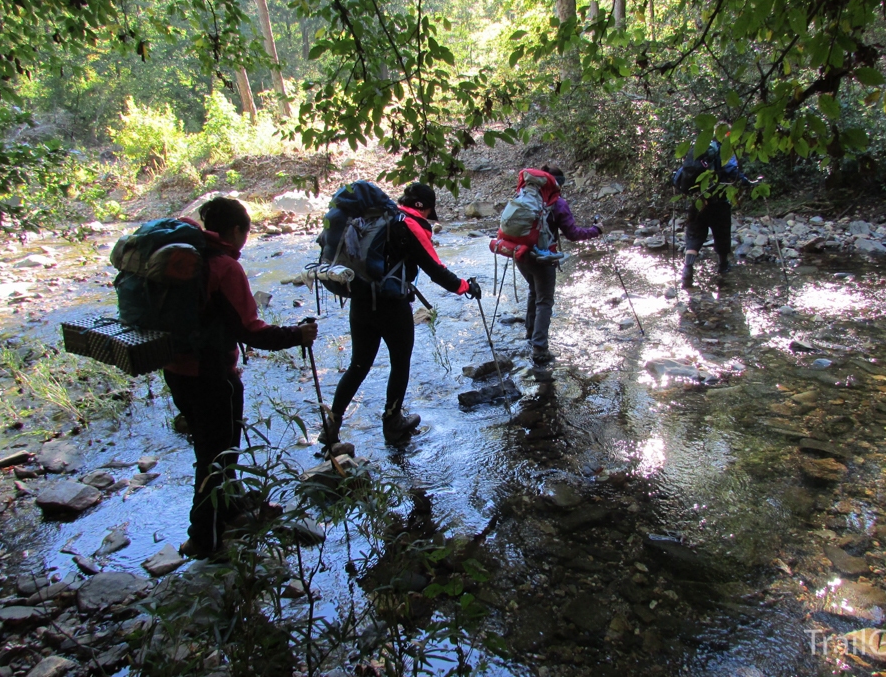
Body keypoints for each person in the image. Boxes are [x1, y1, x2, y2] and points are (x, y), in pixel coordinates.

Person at [163, 197, 318, 560]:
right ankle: (203, 539)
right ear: (235, 231)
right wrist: (297, 335)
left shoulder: (190, 258)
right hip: (213, 375)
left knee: (212, 449)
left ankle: (229, 510)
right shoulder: (224, 267)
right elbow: (251, 331)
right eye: (246, 233)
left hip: (177, 371)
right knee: (215, 457)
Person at [319, 182, 481, 447]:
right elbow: (435, 270)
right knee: (400, 362)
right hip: (391, 306)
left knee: (358, 365)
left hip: (360, 301)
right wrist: (465, 286)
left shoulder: (382, 218)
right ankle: (393, 422)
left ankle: (331, 426)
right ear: (425, 208)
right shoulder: (411, 225)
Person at [517, 165, 603, 363]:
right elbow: (572, 234)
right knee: (545, 300)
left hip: (520, 254)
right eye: (561, 183)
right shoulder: (556, 203)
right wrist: (596, 230)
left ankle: (530, 334)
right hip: (543, 258)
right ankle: (539, 349)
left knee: (534, 290)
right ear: (555, 183)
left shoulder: (524, 196)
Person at [674, 139, 751, 287]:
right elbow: (732, 170)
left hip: (697, 201)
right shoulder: (724, 151)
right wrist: (746, 181)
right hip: (718, 202)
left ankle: (688, 269)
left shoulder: (698, 149)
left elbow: (680, 174)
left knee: (694, 236)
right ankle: (723, 267)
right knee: (721, 233)